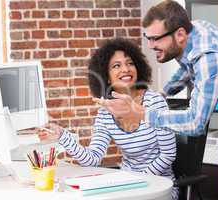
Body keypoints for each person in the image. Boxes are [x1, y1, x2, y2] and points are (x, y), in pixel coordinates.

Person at [94, 1, 218, 199]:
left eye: (155, 39)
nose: (151, 45)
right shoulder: (192, 33)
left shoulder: (210, 57)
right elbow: (187, 67)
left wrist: (142, 113)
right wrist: (161, 94)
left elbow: (196, 123)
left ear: (179, 35)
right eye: (148, 38)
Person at [40, 38, 178, 199]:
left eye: (130, 63)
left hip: (159, 186)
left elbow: (168, 155)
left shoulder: (155, 102)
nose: (125, 69)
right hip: (128, 187)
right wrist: (63, 136)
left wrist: (137, 179)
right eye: (116, 66)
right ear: (106, 77)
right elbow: (92, 159)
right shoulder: (106, 113)